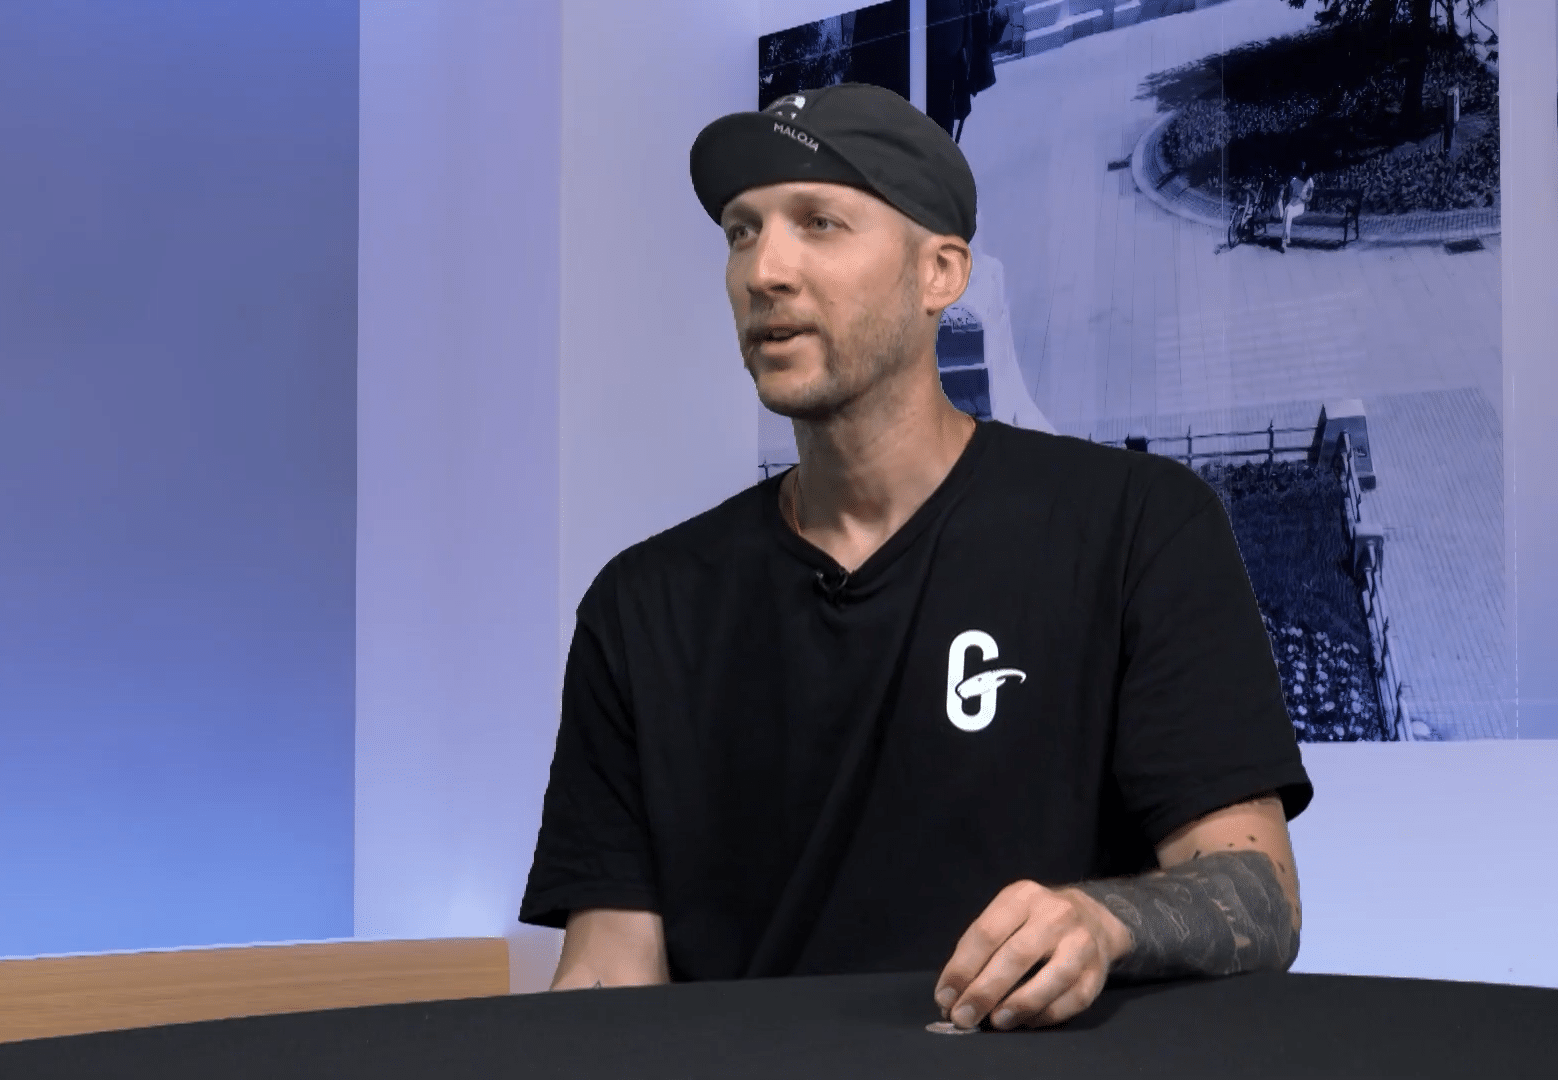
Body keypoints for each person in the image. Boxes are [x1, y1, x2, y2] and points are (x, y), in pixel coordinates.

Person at [518, 83, 1312, 1033]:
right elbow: (609, 972)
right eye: (741, 231)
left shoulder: (1136, 526)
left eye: (818, 223)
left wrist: (1102, 922)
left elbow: (1258, 894)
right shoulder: (642, 606)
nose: (764, 270)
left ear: (940, 273)